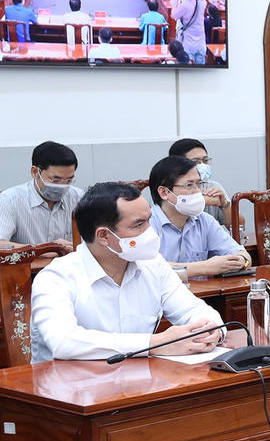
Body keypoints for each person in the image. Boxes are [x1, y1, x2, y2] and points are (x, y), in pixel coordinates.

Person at [29, 182, 225, 363]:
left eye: (149, 221)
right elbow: (64, 342)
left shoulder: (153, 265)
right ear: (104, 236)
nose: (150, 231)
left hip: (138, 379)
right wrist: (155, 343)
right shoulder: (55, 278)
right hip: (70, 385)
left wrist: (211, 330)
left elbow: (193, 310)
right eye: (139, 225)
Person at [147, 155, 250, 277]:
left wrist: (242, 260)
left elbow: (241, 253)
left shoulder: (204, 220)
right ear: (164, 192)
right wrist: (207, 267)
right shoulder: (146, 224)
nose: (198, 191)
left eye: (199, 184)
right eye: (189, 185)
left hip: (203, 290)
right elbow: (150, 268)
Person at [0, 141, 84, 250]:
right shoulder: (10, 201)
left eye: (68, 180)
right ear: (35, 172)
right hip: (31, 261)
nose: (62, 186)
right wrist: (44, 249)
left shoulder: (79, 198)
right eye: (55, 180)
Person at [169, 138, 231, 227]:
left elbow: (240, 227)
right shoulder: (170, 189)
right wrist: (202, 200)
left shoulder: (214, 187)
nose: (202, 165)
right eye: (195, 162)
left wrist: (224, 204)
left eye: (205, 160)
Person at [174, 0, 207, 64]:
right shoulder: (202, 4)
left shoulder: (184, 5)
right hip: (201, 44)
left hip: (188, 44)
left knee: (188, 69)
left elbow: (174, 16)